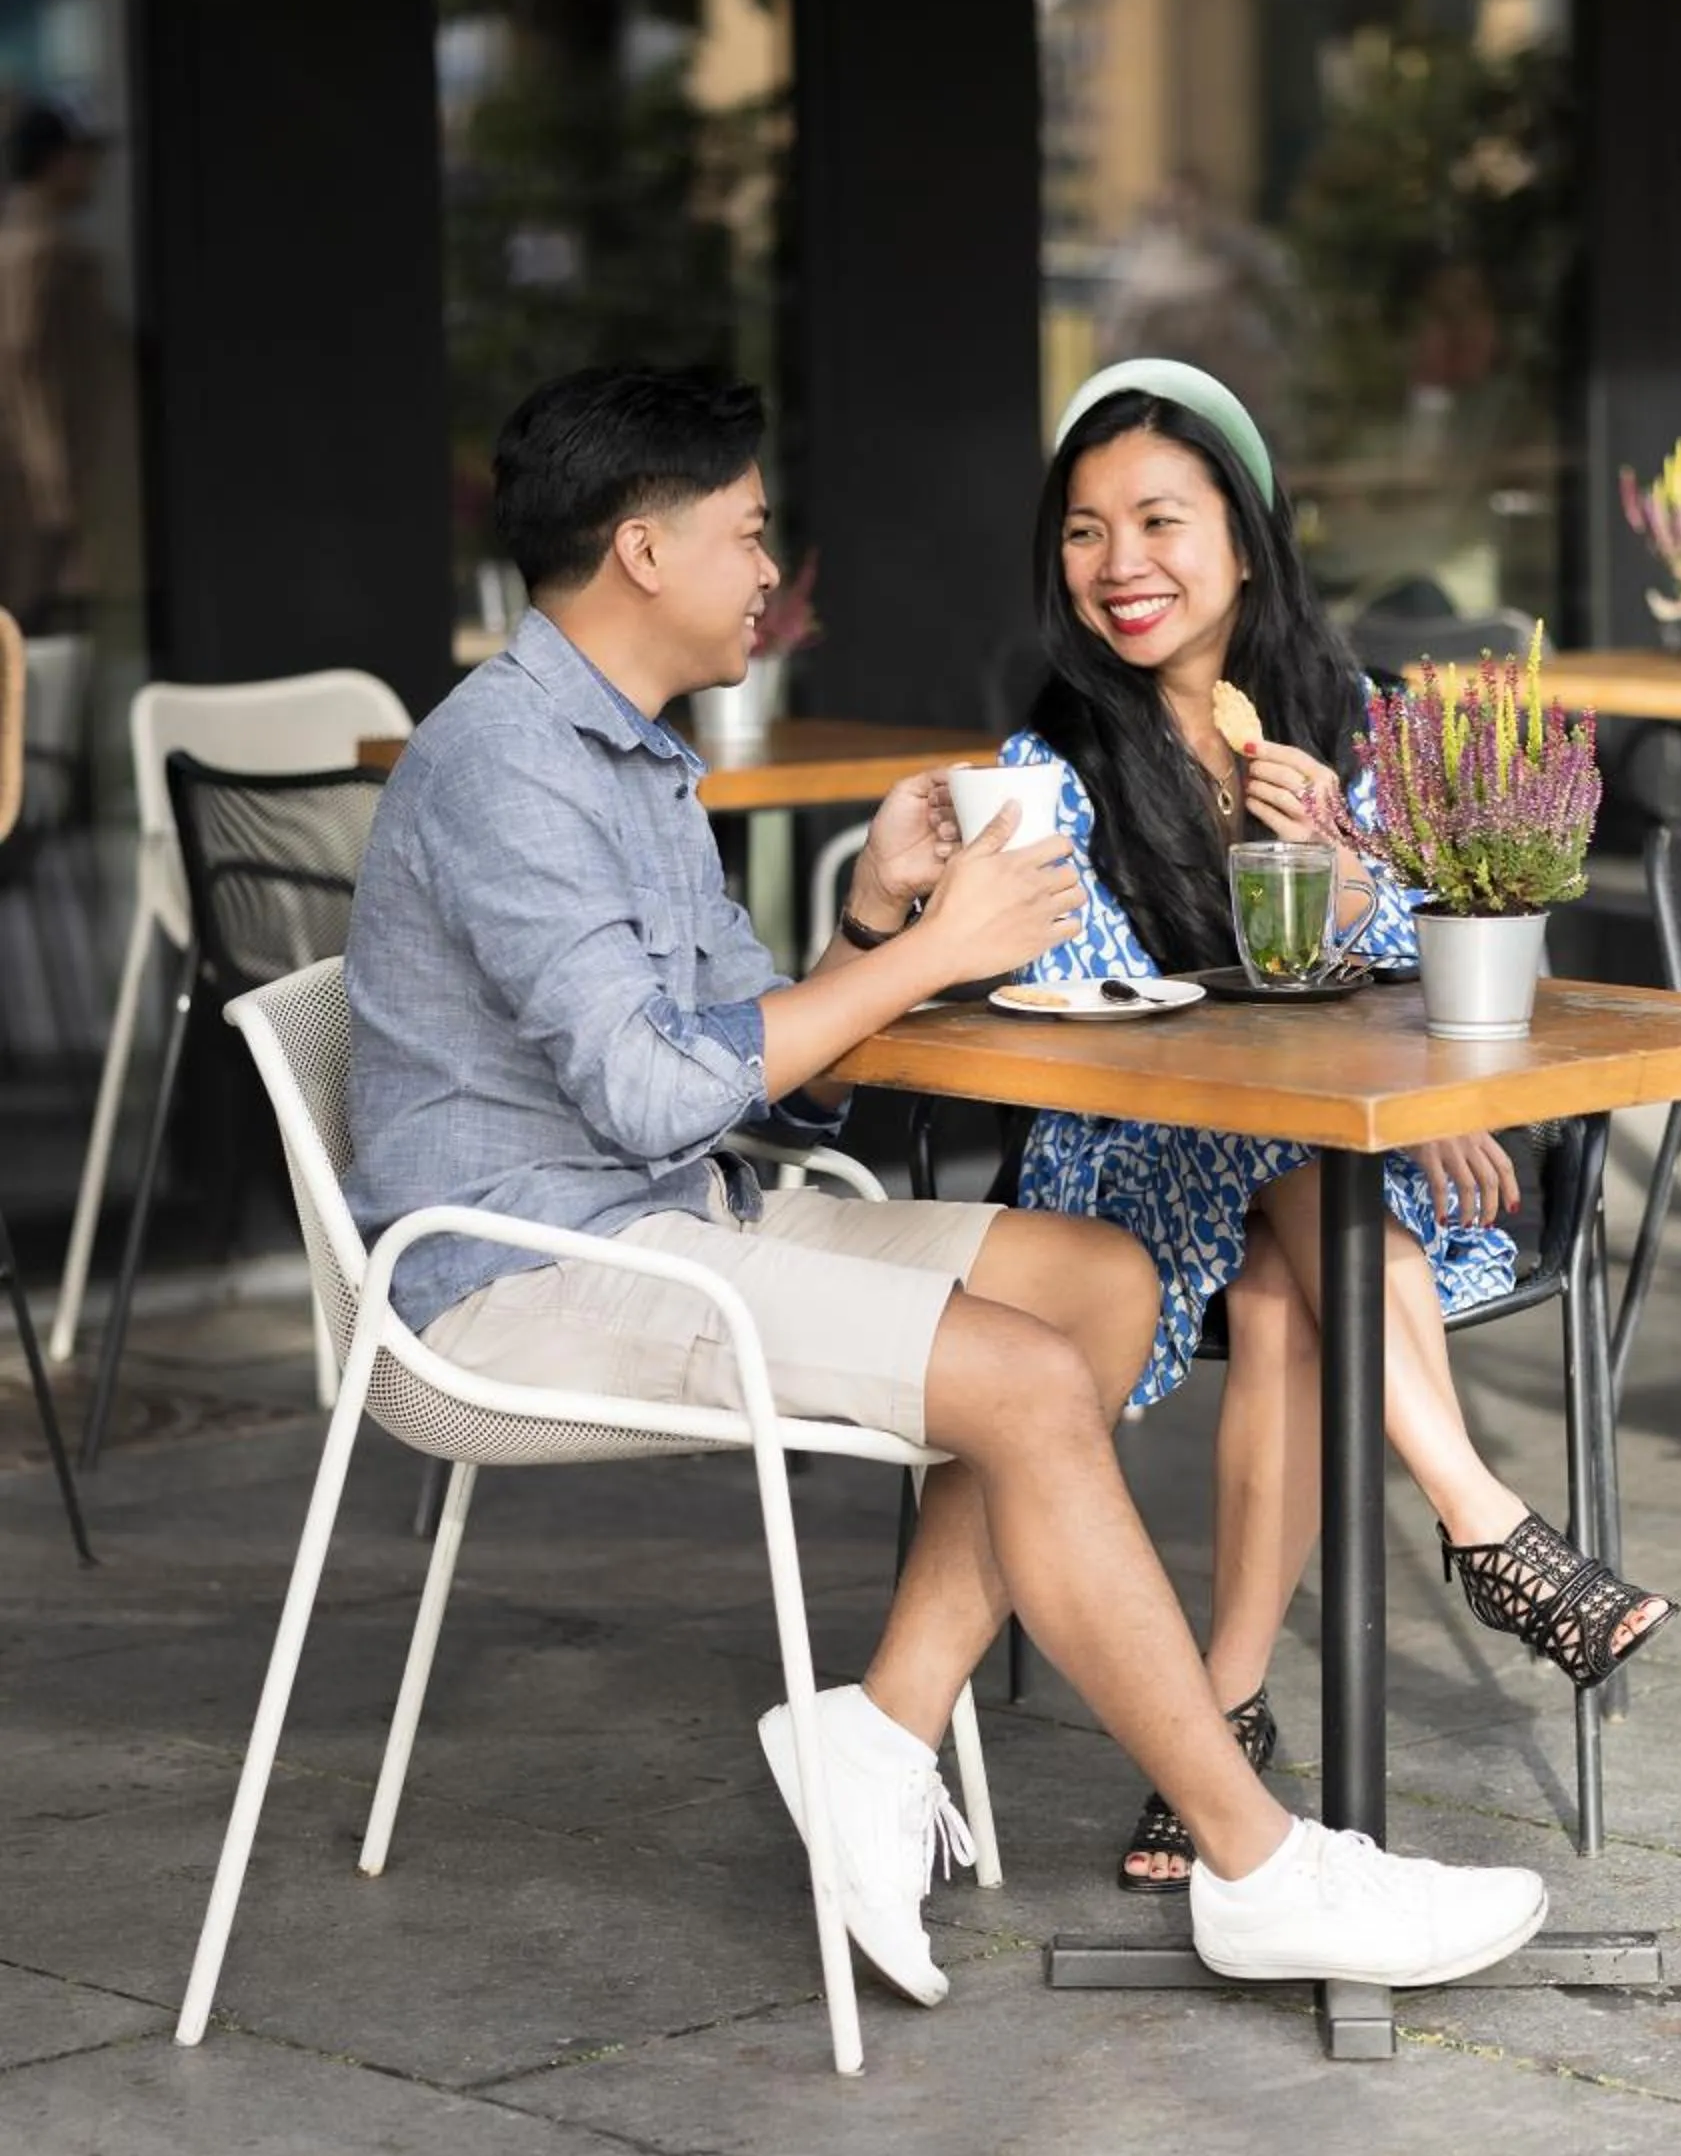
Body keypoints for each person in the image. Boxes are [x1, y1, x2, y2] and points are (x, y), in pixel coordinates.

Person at [342, 362, 1552, 2007]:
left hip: (675, 1217)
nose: (774, 576)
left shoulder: (632, 752)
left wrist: (872, 926)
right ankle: (1257, 1864)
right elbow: (648, 1095)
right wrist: (938, 958)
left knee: (1102, 1282)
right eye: (752, 535)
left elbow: (779, 1069)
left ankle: (880, 1730)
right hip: (528, 1271)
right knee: (1024, 1376)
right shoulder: (505, 767)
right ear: (644, 550)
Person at [1000, 356, 1678, 1889]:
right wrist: (1364, 1086)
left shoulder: (1350, 726)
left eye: (1159, 522)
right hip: (1137, 1163)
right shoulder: (1051, 767)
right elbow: (1095, 1005)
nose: (1122, 566)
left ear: (1246, 538)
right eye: (1086, 531)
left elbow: (1490, 950)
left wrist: (1350, 878)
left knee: (1289, 1288)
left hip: (1322, 1177)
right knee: (1314, 1172)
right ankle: (1486, 1518)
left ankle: (1227, 1708)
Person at [0, 97, 112, 631]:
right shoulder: (34, 253)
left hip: (64, 490)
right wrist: (55, 494)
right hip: (45, 500)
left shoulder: (51, 250)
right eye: (83, 155)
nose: (93, 171)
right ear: (55, 160)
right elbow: (26, 372)